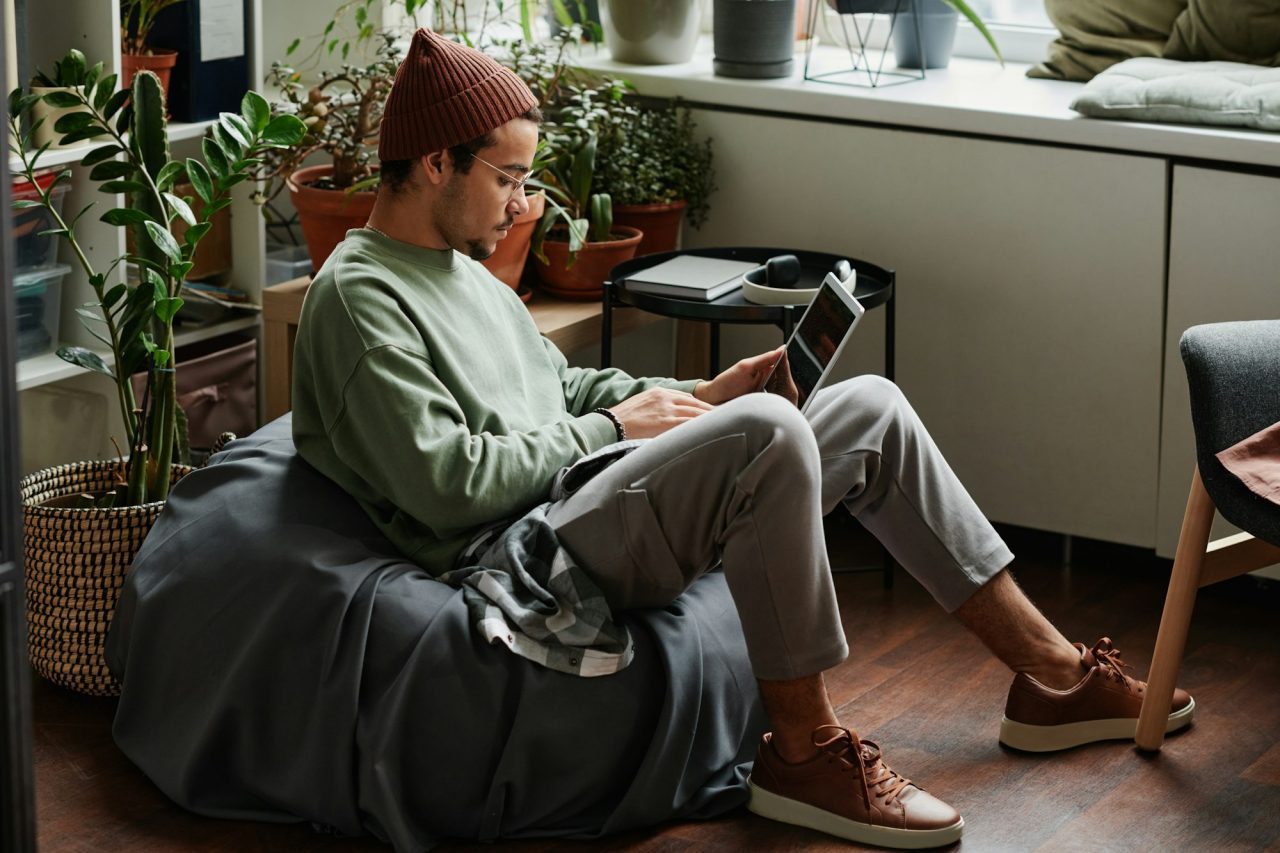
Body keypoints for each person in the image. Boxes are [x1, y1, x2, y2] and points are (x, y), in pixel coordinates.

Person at [289, 28, 1194, 850]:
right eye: (510, 179)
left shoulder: (468, 273)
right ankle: (804, 751)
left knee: (868, 406)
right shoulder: (363, 297)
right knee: (765, 431)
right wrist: (616, 427)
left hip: (584, 482)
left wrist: (692, 393)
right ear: (440, 162)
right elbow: (446, 483)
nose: (522, 204)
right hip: (519, 547)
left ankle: (1054, 678)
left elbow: (559, 388)